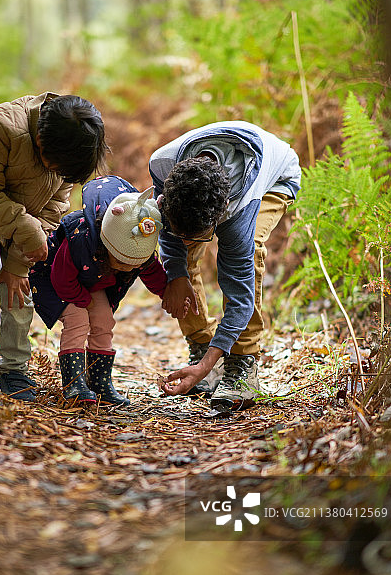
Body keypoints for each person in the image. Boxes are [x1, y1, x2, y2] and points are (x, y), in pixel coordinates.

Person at [0, 92, 107, 401]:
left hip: (19, 213)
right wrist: (27, 228)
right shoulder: (0, 129)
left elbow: (54, 207)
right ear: (41, 141)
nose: (59, 174)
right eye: (56, 166)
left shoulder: (66, 151)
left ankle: (13, 367)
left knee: (20, 283)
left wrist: (17, 264)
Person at [149, 120, 301, 409]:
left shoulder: (238, 210)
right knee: (183, 250)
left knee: (251, 247)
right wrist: (177, 275)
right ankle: (201, 344)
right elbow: (167, 230)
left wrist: (207, 366)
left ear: (218, 219)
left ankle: (242, 363)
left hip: (275, 180)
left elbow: (240, 295)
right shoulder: (162, 165)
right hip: (211, 189)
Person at [28, 176, 169, 406]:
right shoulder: (79, 240)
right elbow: (61, 278)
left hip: (91, 282)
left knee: (104, 320)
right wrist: (84, 301)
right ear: (106, 245)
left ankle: (100, 380)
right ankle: (74, 382)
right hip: (61, 283)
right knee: (78, 320)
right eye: (121, 263)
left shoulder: (135, 247)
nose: (127, 269)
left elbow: (151, 271)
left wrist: (167, 291)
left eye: (133, 265)